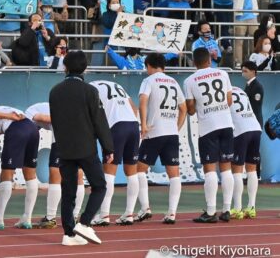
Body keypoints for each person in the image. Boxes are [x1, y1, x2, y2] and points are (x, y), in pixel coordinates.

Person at [49, 50, 114, 246]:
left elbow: (56, 121)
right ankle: (85, 222)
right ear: (85, 68)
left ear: (65, 67)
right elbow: (99, 122)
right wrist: (108, 148)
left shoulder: (55, 91)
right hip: (86, 147)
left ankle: (68, 234)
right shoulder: (90, 91)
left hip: (64, 148)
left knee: (68, 191)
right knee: (100, 186)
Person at [184, 47, 234, 223]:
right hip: (226, 123)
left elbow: (190, 110)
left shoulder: (189, 80)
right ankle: (227, 209)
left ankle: (211, 211)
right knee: (226, 167)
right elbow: (229, 100)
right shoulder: (223, 74)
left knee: (210, 169)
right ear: (209, 60)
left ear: (194, 62)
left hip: (208, 127)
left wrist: (200, 106)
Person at [136, 53, 187, 224]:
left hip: (154, 132)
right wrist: (176, 127)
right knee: (174, 174)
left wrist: (143, 124)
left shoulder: (149, 81)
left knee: (139, 170)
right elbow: (184, 108)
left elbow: (143, 101)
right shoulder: (173, 82)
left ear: (149, 65)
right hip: (171, 133)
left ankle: (145, 208)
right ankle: (172, 213)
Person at [25, 102, 85, 229]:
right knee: (78, 174)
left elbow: (51, 118)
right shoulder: (62, 106)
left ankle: (51, 218)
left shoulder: (29, 113)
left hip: (63, 138)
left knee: (55, 175)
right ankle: (75, 216)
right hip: (81, 137)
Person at [89, 79, 140, 226]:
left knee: (109, 171)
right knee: (132, 171)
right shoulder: (117, 84)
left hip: (117, 126)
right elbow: (133, 107)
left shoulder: (90, 87)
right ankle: (129, 213)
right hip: (133, 124)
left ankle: (104, 215)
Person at [229, 86, 262, 220]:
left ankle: (237, 209)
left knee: (236, 170)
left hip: (241, 130)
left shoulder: (224, 93)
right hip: (255, 128)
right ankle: (252, 207)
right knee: (252, 170)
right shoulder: (240, 90)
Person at [230, 0, 262, 67]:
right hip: (240, 17)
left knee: (255, 40)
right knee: (239, 41)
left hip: (252, 16)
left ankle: (255, 62)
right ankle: (238, 63)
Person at [242, 61, 264, 127]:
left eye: (245, 71)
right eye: (242, 71)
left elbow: (255, 106)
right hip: (249, 120)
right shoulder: (249, 84)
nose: (243, 73)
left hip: (255, 121)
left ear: (253, 72)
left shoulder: (257, 86)